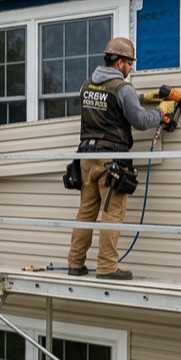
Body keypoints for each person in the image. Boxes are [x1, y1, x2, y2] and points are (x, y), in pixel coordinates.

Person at [67, 37, 170, 281]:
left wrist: (144, 97)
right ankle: (107, 267)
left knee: (86, 213)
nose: (130, 68)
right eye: (130, 63)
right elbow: (141, 121)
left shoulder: (87, 85)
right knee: (112, 213)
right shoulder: (123, 88)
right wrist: (162, 110)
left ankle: (75, 263)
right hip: (111, 161)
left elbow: (112, 102)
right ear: (120, 62)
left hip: (86, 159)